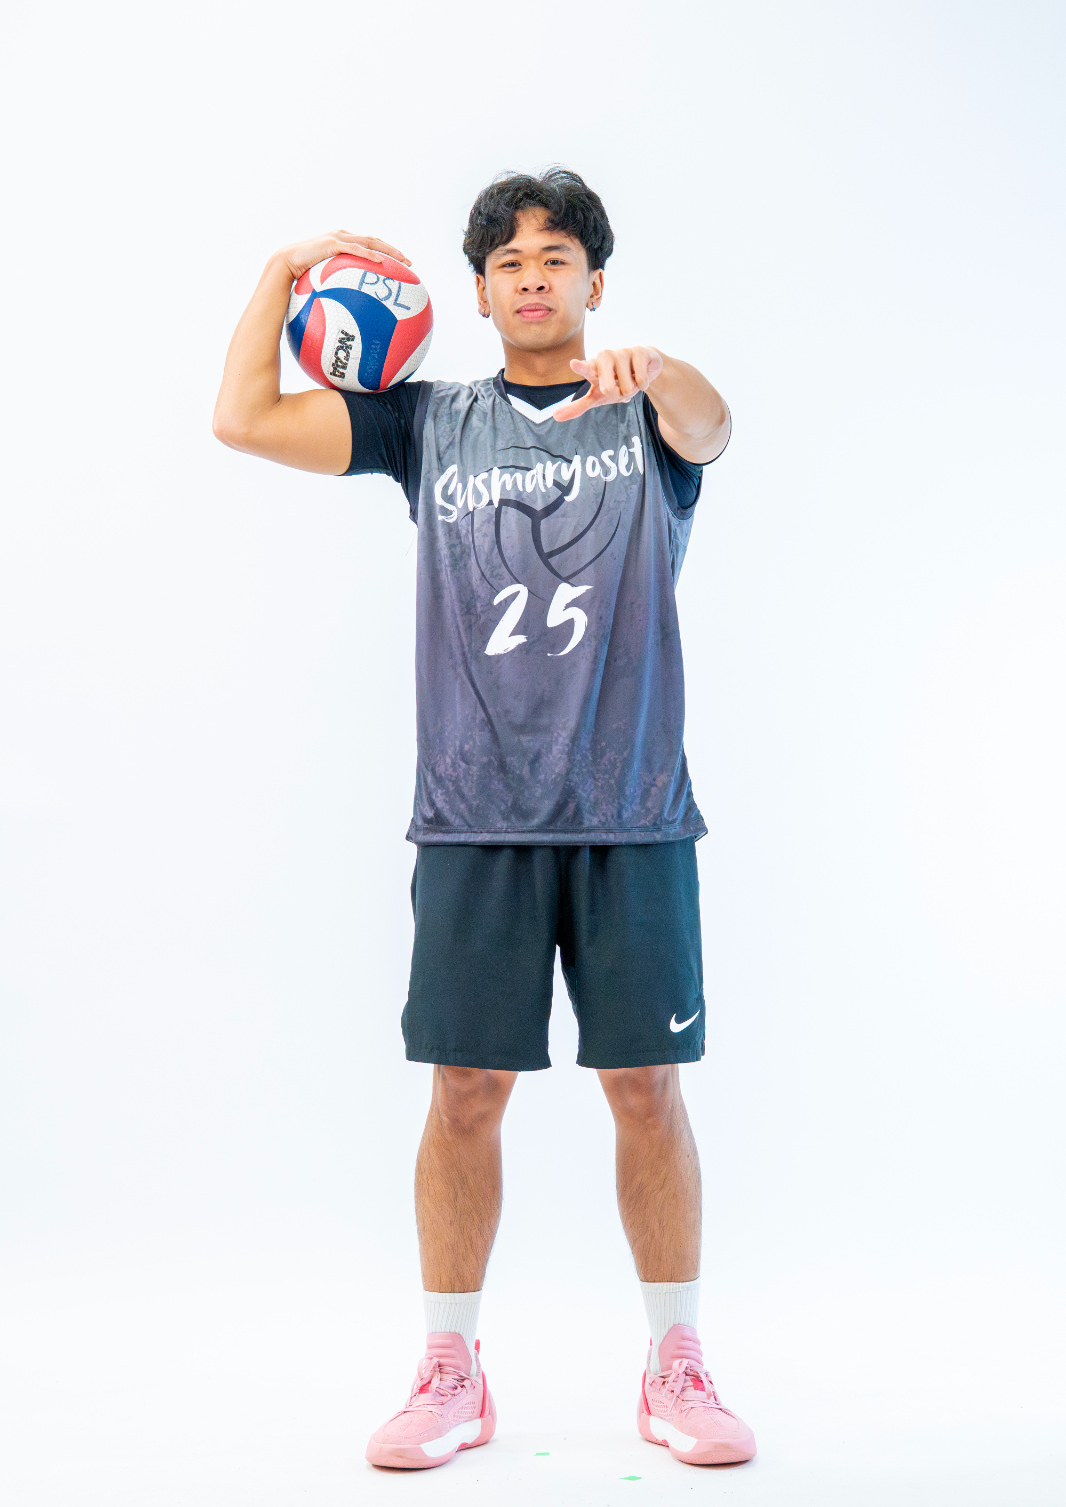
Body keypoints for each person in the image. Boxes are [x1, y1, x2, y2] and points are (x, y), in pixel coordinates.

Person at [212, 168, 756, 1471]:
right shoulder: (432, 423)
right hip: (472, 817)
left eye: (555, 257)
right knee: (464, 1093)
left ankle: (676, 1363)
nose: (531, 277)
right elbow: (242, 417)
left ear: (593, 283)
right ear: (475, 293)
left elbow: (716, 425)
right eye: (508, 261)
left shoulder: (645, 411)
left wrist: (659, 370)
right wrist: (283, 269)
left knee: (646, 1088)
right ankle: (449, 1370)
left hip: (631, 815)